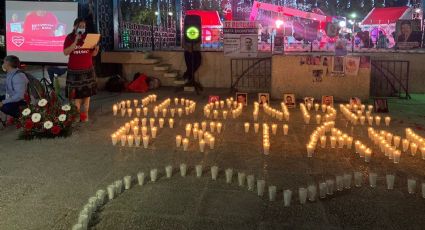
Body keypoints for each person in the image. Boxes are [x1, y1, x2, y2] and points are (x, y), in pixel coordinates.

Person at [63, 18, 99, 122]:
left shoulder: (88, 38)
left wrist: (96, 49)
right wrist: (75, 41)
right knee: (76, 96)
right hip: (74, 72)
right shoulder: (69, 38)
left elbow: (92, 54)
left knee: (87, 96)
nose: (82, 28)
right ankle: (77, 116)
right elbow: (66, 52)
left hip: (87, 71)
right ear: (75, 26)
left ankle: (85, 115)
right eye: (80, 26)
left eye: (84, 26)